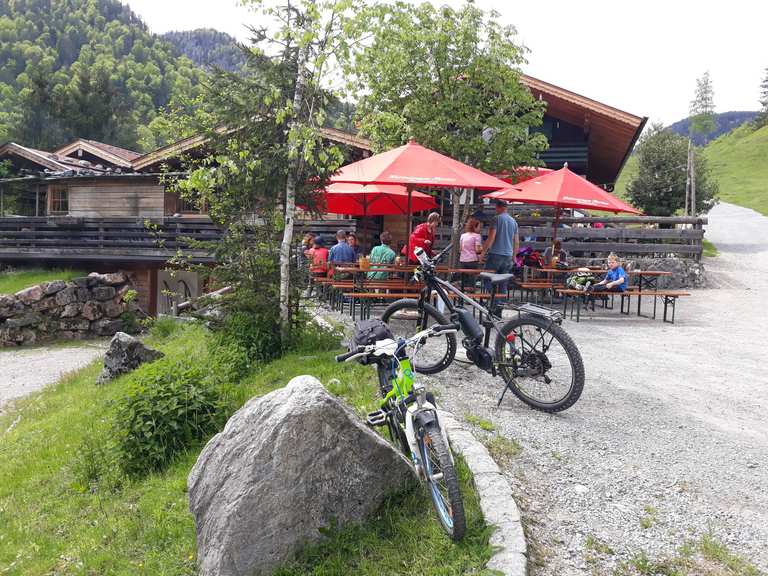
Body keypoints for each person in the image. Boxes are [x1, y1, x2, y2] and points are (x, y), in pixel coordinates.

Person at [480, 199, 519, 295]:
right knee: (503, 282)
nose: (495, 210)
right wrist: (514, 256)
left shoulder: (496, 219)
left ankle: (494, 298)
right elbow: (516, 241)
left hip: (496, 254)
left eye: (496, 208)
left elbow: (491, 238)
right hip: (508, 256)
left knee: (487, 278)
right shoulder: (514, 222)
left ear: (498, 207)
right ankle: (500, 305)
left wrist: (482, 254)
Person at [459, 217, 483, 289]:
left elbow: (460, 249)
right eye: (479, 227)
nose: (480, 229)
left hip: (463, 260)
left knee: (464, 280)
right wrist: (482, 249)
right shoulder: (477, 236)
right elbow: (477, 250)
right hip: (472, 260)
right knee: (472, 280)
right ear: (474, 227)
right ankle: (471, 295)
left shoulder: (463, 235)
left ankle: (462, 295)